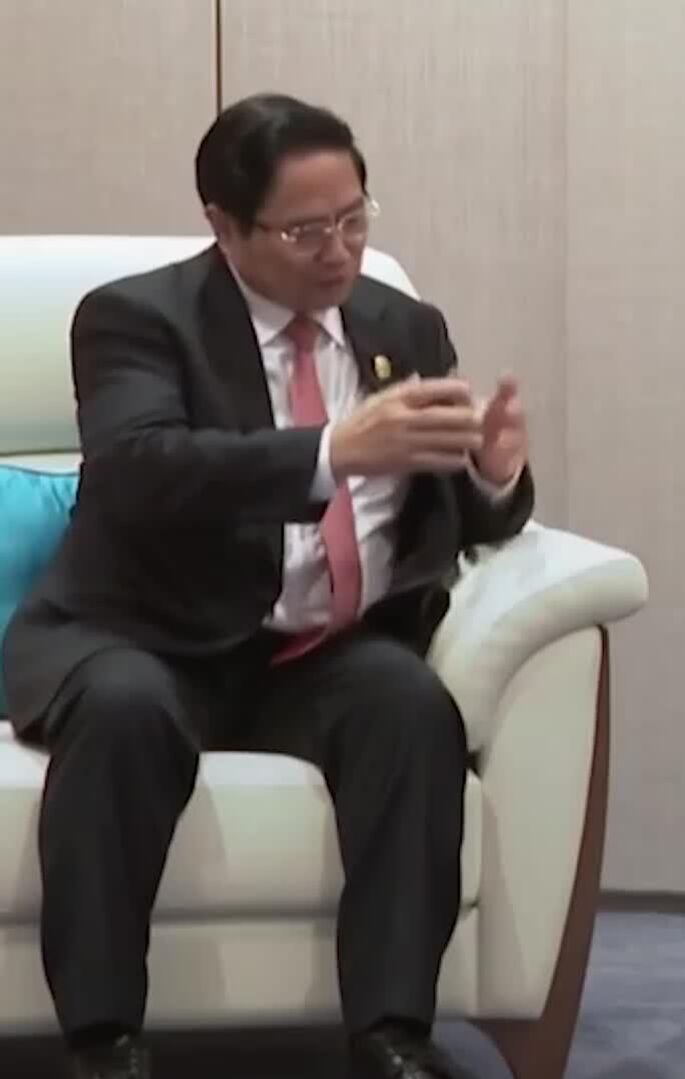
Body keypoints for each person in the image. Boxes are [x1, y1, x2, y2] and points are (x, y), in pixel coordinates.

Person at [0, 92, 533, 1079]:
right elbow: (140, 469)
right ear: (225, 225)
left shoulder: (403, 325)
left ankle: (393, 1036)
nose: (340, 251)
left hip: (318, 650)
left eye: (355, 219)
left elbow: (455, 511)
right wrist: (332, 450)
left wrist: (493, 476)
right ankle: (103, 1039)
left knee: (412, 707)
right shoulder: (136, 318)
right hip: (146, 633)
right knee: (122, 714)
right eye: (305, 231)